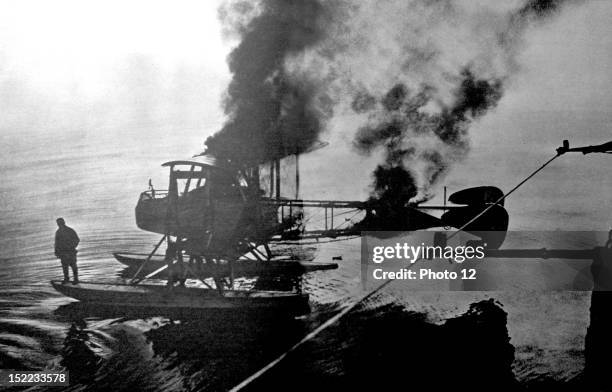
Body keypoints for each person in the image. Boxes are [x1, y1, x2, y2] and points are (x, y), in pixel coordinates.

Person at [54, 218, 80, 284]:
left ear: (63, 222)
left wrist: (72, 246)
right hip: (63, 253)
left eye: (60, 223)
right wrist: (57, 252)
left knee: (73, 266)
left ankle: (76, 280)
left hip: (71, 251)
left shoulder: (70, 230)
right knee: (65, 267)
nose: (59, 224)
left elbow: (77, 240)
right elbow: (57, 243)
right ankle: (66, 279)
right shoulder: (58, 232)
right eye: (58, 223)